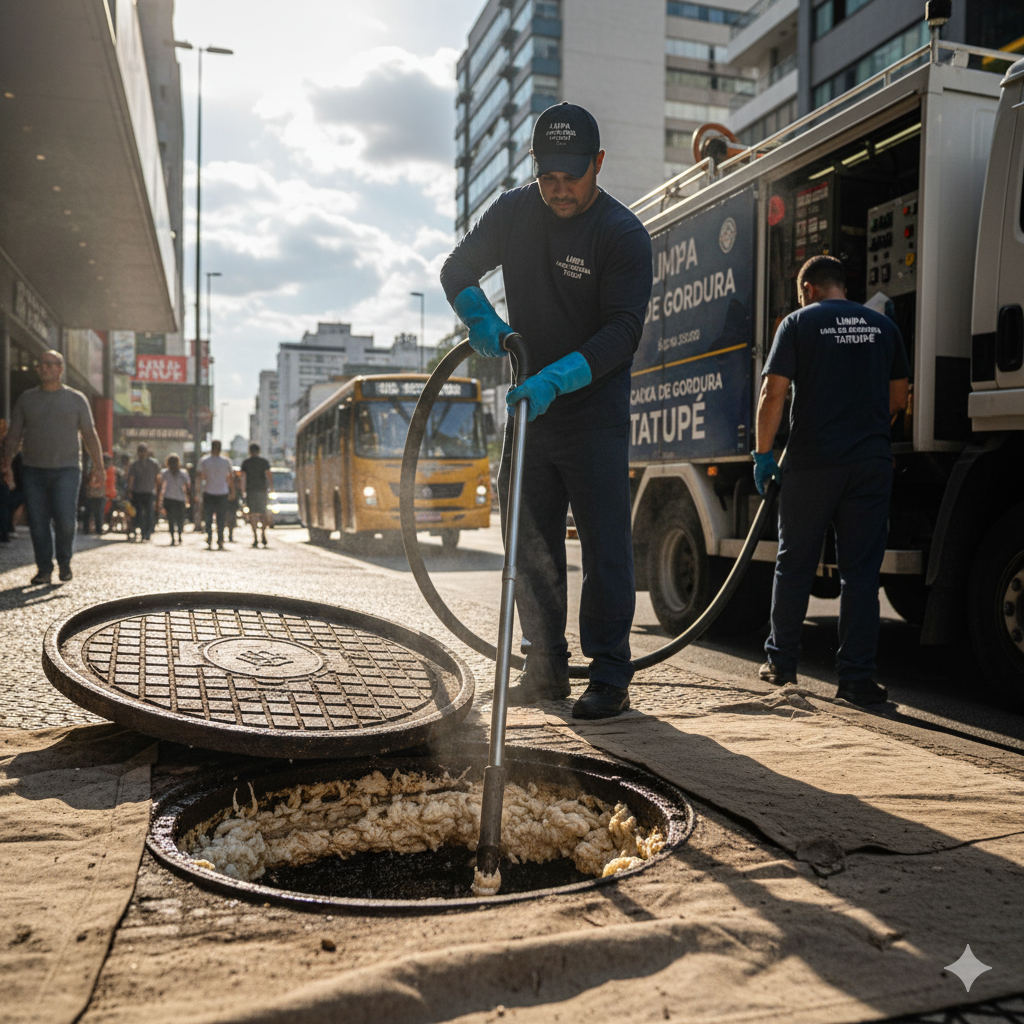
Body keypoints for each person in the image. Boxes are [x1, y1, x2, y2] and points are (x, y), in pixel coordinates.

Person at [440, 102, 653, 720]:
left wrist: (561, 377)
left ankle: (610, 673)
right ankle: (544, 668)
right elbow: (458, 269)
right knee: (527, 542)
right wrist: (484, 321)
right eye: (549, 176)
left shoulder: (621, 233)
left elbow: (623, 332)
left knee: (605, 547)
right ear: (535, 167)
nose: (560, 190)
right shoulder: (513, 212)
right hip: (529, 412)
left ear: (599, 164)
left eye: (573, 176)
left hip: (594, 414)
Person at [753, 254, 910, 706]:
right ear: (841, 285)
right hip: (870, 464)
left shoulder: (798, 323)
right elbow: (898, 398)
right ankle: (857, 681)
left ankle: (781, 664)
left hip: (812, 463)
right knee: (860, 574)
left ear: (809, 290)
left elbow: (773, 393)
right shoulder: (884, 327)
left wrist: (764, 455)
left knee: (795, 563)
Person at [1, 350, 105, 584]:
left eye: (49, 364)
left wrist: (99, 467)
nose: (44, 368)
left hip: (67, 469)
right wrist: (6, 463)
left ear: (60, 368)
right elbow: (15, 434)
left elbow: (89, 433)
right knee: (38, 521)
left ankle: (65, 561)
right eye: (40, 364)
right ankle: (44, 569)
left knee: (66, 519)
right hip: (32, 469)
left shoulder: (77, 399)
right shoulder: (27, 399)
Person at [198, 439, 235, 550]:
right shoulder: (226, 461)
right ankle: (219, 539)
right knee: (221, 518)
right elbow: (230, 478)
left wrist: (198, 491)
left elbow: (199, 477)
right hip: (221, 492)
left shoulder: (204, 460)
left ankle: (210, 537)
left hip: (209, 491)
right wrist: (232, 491)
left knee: (209, 517)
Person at [240, 442, 273, 548]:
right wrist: (271, 489)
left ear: (250, 451)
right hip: (262, 490)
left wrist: (243, 491)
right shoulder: (264, 462)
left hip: (251, 491)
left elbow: (243, 478)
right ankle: (263, 534)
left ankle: (255, 536)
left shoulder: (246, 463)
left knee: (252, 514)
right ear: (259, 451)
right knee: (263, 513)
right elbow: (269, 476)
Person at [126, 443, 160, 541]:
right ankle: (145, 531)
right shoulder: (150, 463)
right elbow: (131, 479)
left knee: (144, 512)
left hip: (144, 491)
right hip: (142, 491)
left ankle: (145, 531)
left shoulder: (150, 464)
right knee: (144, 512)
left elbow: (157, 478)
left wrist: (129, 490)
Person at [157, 453, 191, 546]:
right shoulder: (165, 473)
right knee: (172, 520)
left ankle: (178, 535)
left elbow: (187, 487)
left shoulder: (183, 473)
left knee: (179, 519)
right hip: (170, 498)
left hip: (179, 498)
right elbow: (160, 486)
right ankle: (173, 537)